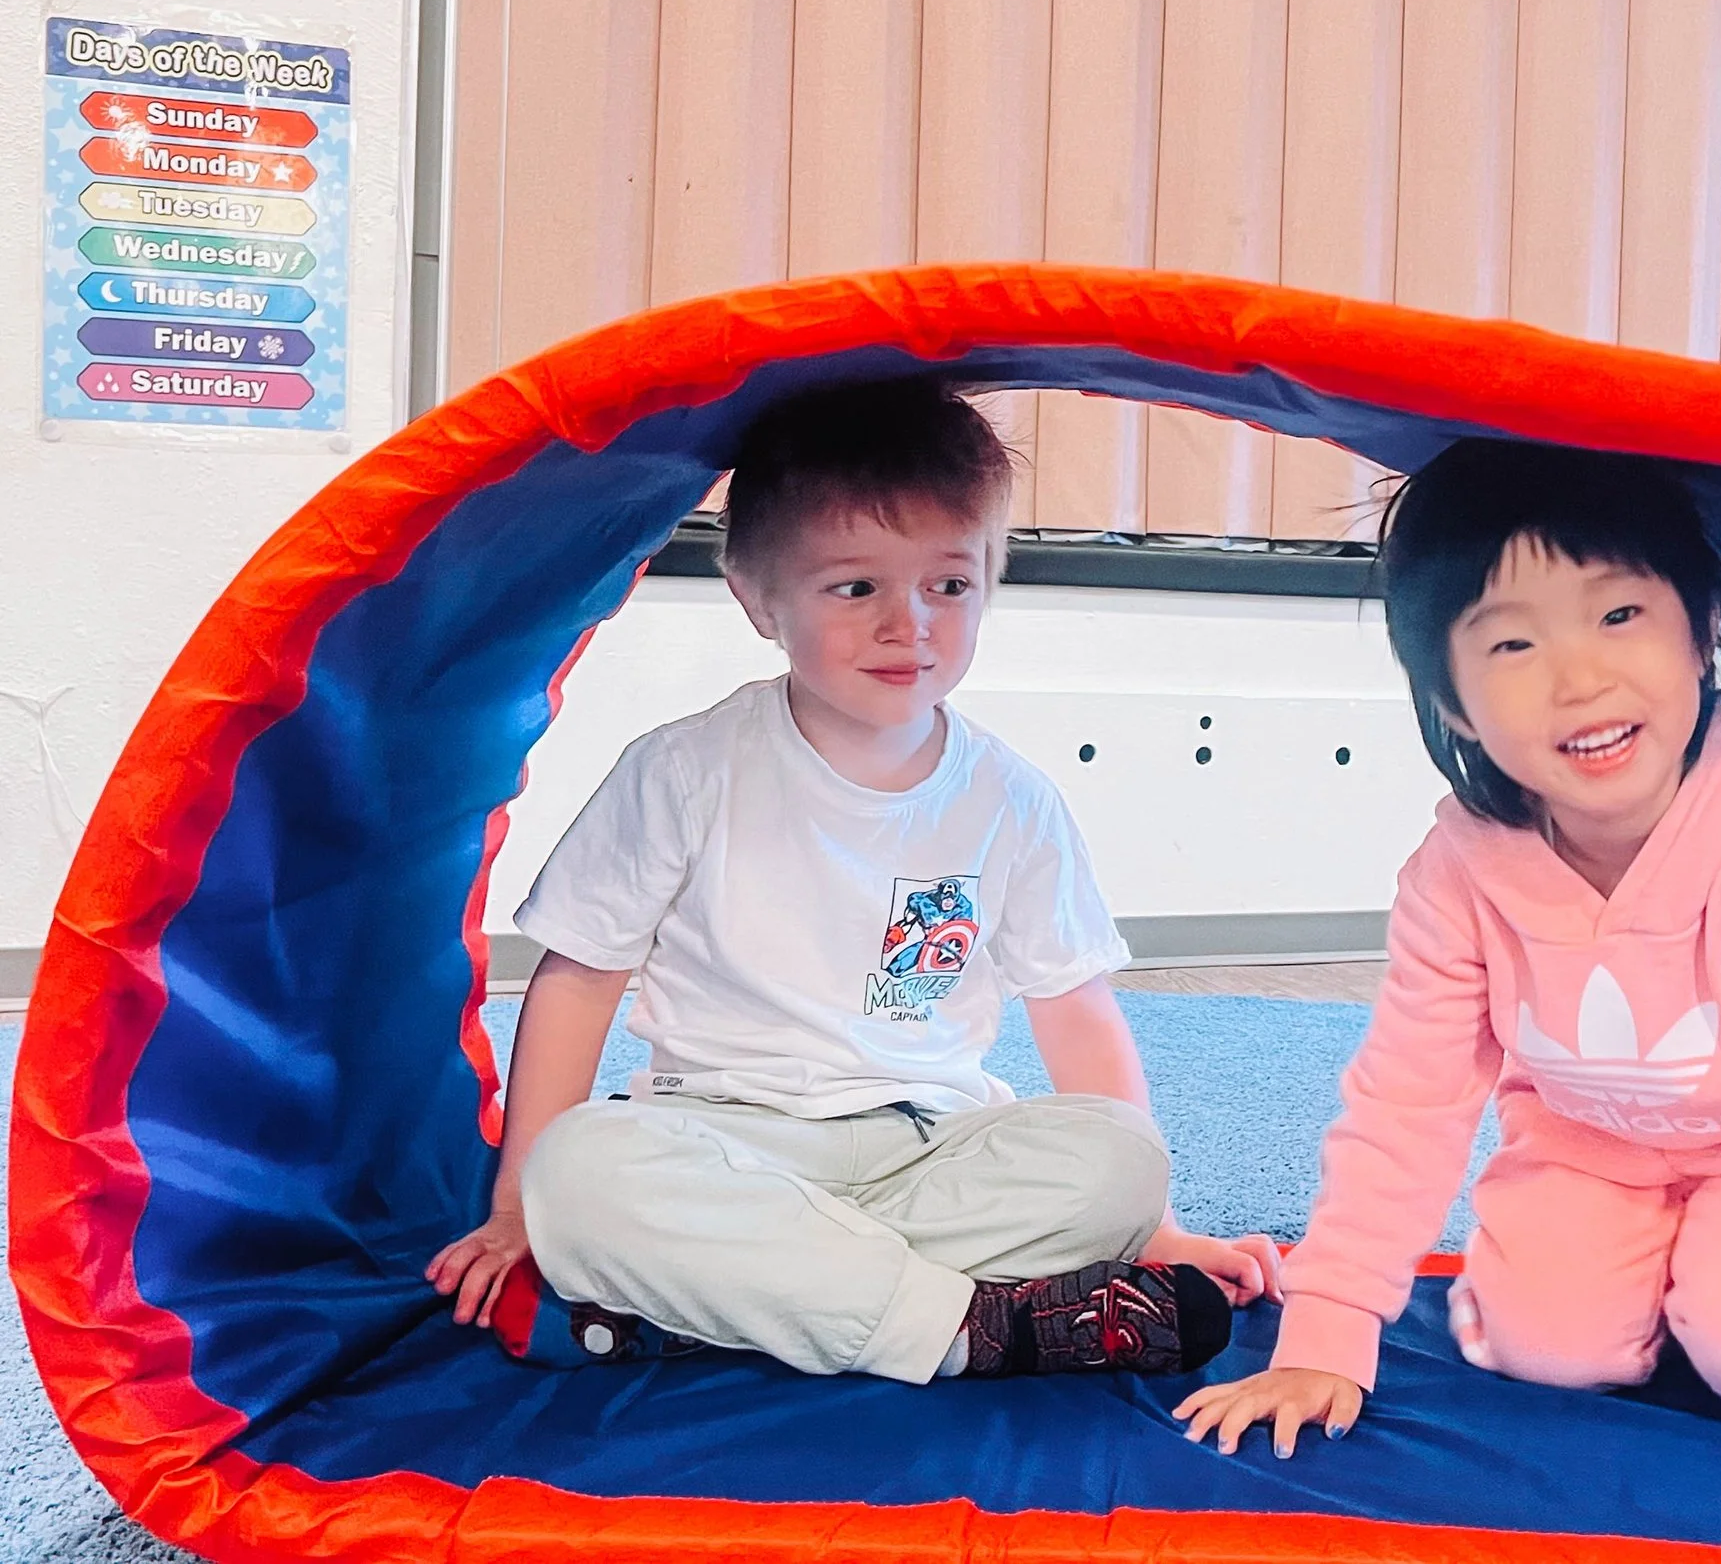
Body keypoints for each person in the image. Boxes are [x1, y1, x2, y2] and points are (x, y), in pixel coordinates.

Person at [1176, 441, 1721, 1564]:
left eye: (1618, 617)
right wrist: (1328, 1330)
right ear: (1453, 708)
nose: (1580, 680)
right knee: (1541, 1346)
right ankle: (1641, 1273)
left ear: (1701, 631)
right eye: (1512, 642)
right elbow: (1406, 1102)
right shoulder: (1461, 872)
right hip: (1589, 1143)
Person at [428, 377, 1278, 1383]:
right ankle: (971, 1328)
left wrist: (1157, 1224)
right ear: (757, 598)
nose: (907, 624)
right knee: (584, 1176)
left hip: (926, 1149)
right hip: (728, 1136)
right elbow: (579, 976)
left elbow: (1073, 1006)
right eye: (855, 586)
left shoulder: (1009, 797)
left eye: (948, 586)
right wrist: (520, 1197)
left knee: (1118, 1156)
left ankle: (761, 1299)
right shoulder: (684, 770)